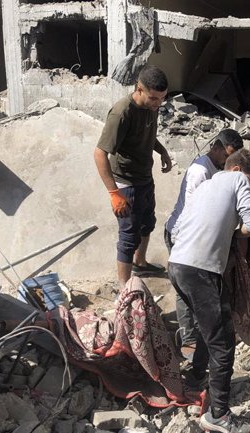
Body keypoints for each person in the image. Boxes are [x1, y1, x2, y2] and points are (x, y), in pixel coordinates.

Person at [168, 149, 250, 433]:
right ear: (237, 170)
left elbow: (176, 230)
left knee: (203, 328)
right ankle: (218, 414)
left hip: (177, 265)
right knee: (223, 342)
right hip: (201, 271)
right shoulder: (237, 181)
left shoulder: (204, 184)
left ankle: (197, 377)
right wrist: (234, 235)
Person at [164, 129, 244, 356]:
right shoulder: (200, 171)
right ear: (216, 147)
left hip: (197, 236)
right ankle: (189, 338)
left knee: (202, 288)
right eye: (227, 155)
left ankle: (203, 332)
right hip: (183, 234)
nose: (228, 161)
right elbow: (193, 211)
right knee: (185, 290)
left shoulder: (216, 170)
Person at [94, 66, 173, 288]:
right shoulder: (122, 113)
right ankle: (124, 288)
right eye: (154, 98)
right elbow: (100, 154)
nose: (158, 103)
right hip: (125, 181)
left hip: (144, 178)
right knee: (129, 236)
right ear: (139, 89)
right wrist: (114, 193)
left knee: (147, 224)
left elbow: (146, 134)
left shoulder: (152, 106)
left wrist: (162, 151)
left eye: (162, 98)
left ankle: (140, 262)